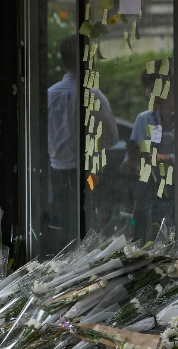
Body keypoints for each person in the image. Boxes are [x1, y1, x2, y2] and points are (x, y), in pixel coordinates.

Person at [46, 35, 119, 250]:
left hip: (57, 175)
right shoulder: (93, 95)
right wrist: (93, 147)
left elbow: (42, 140)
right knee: (89, 221)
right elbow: (113, 137)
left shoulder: (49, 95)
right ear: (87, 59)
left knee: (63, 224)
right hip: (89, 174)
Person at [124, 59, 175, 243]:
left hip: (174, 192)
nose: (155, 100)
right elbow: (128, 166)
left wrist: (166, 158)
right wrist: (132, 160)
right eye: (150, 94)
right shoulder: (143, 119)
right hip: (146, 193)